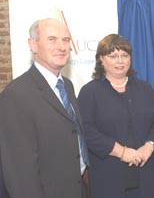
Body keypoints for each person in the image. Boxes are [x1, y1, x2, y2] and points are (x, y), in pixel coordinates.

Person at [0, 18, 90, 198]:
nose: (62, 46)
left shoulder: (67, 86)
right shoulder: (15, 95)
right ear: (33, 45)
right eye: (52, 39)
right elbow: (19, 172)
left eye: (65, 40)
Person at [77, 34, 154, 198]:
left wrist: (149, 146)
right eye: (113, 56)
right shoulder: (89, 92)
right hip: (107, 177)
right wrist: (122, 152)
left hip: (143, 174)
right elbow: (86, 131)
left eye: (125, 55)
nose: (120, 61)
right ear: (101, 60)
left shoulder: (144, 88)